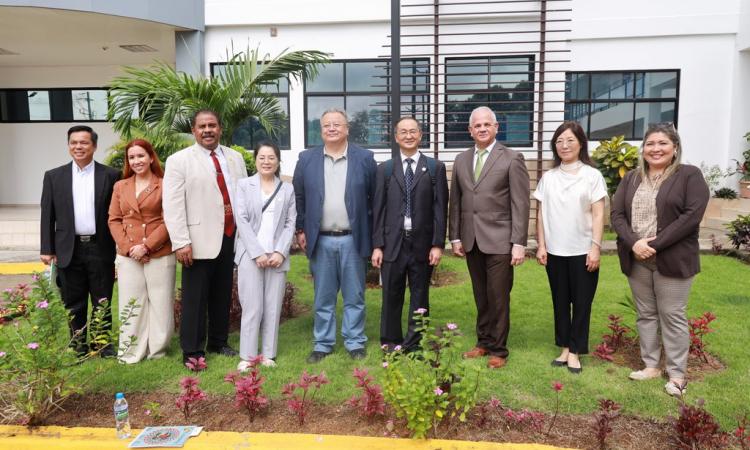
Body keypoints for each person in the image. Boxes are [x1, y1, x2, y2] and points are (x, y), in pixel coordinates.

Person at [611, 122, 709, 397]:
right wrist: (634, 243)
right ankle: (651, 365)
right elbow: (617, 215)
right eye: (650, 144)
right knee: (646, 314)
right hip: (637, 257)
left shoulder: (689, 176)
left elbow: (691, 217)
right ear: (643, 150)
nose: (656, 149)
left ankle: (677, 374)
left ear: (675, 147)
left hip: (673, 258)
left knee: (673, 314)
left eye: (662, 143)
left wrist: (653, 245)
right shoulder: (631, 178)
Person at [162, 109, 248, 367]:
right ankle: (192, 350)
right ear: (193, 130)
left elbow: (242, 195)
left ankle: (219, 342)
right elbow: (173, 204)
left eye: (212, 125)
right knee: (195, 298)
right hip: (196, 241)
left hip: (231, 236)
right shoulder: (179, 161)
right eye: (202, 126)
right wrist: (180, 242)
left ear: (220, 128)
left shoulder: (235, 158)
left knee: (222, 294)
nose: (208, 130)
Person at [448, 106, 530, 369]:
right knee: (480, 295)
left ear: (496, 127)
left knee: (498, 296)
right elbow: (456, 201)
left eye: (487, 124)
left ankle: (499, 349)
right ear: (469, 130)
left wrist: (519, 243)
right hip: (471, 239)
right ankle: (483, 342)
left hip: (500, 240)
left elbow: (521, 203)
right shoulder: (461, 160)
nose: (482, 129)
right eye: (477, 125)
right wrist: (455, 237)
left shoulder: (512, 158)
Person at [292, 108, 377, 363]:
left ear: (347, 128)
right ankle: (323, 343)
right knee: (323, 296)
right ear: (321, 130)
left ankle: (354, 342)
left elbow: (374, 199)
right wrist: (300, 229)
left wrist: (374, 238)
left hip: (354, 238)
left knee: (355, 295)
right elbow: (299, 197)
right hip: (322, 239)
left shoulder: (364, 158)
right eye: (327, 125)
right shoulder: (307, 159)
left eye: (337, 124)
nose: (332, 128)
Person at [40, 125, 120, 357]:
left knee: (102, 298)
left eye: (84, 142)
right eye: (73, 142)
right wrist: (47, 248)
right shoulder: (54, 176)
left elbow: (117, 213)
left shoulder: (111, 175)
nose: (78, 147)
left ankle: (102, 344)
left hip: (100, 246)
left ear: (94, 146)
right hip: (68, 248)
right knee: (73, 301)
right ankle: (78, 344)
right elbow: (48, 214)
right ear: (68, 146)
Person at [534, 121, 607, 374]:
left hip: (583, 251)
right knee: (560, 301)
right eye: (559, 141)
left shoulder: (592, 176)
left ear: (581, 144)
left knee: (582, 303)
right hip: (554, 251)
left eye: (570, 140)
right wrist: (541, 245)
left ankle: (576, 351)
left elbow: (598, 215)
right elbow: (541, 214)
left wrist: (595, 247)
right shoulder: (549, 177)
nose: (564, 145)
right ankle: (564, 346)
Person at [371, 117, 448, 352]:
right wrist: (377, 245)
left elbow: (440, 209)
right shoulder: (384, 170)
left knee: (420, 295)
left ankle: (415, 344)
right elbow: (378, 209)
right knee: (391, 296)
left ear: (420, 135)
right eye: (402, 132)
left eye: (412, 131)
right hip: (393, 243)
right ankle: (390, 342)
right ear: (396, 137)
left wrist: (437, 244)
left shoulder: (434, 168)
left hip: (422, 244)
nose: (408, 136)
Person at [108, 139, 175, 364]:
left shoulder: (164, 184)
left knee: (160, 303)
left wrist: (147, 246)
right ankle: (130, 352)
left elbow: (170, 220)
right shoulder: (121, 186)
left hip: (159, 252)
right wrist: (129, 249)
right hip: (129, 256)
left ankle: (157, 352)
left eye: (141, 156)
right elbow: (114, 220)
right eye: (132, 157)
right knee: (131, 303)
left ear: (151, 157)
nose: (136, 161)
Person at [234, 142, 296, 370]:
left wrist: (280, 251)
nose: (266, 162)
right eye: (262, 157)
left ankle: (268, 354)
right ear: (255, 160)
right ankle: (248, 356)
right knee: (252, 306)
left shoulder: (287, 188)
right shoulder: (244, 185)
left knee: (272, 306)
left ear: (278, 161)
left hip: (277, 256)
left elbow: (291, 223)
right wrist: (257, 252)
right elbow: (241, 220)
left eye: (271, 158)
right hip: (250, 256)